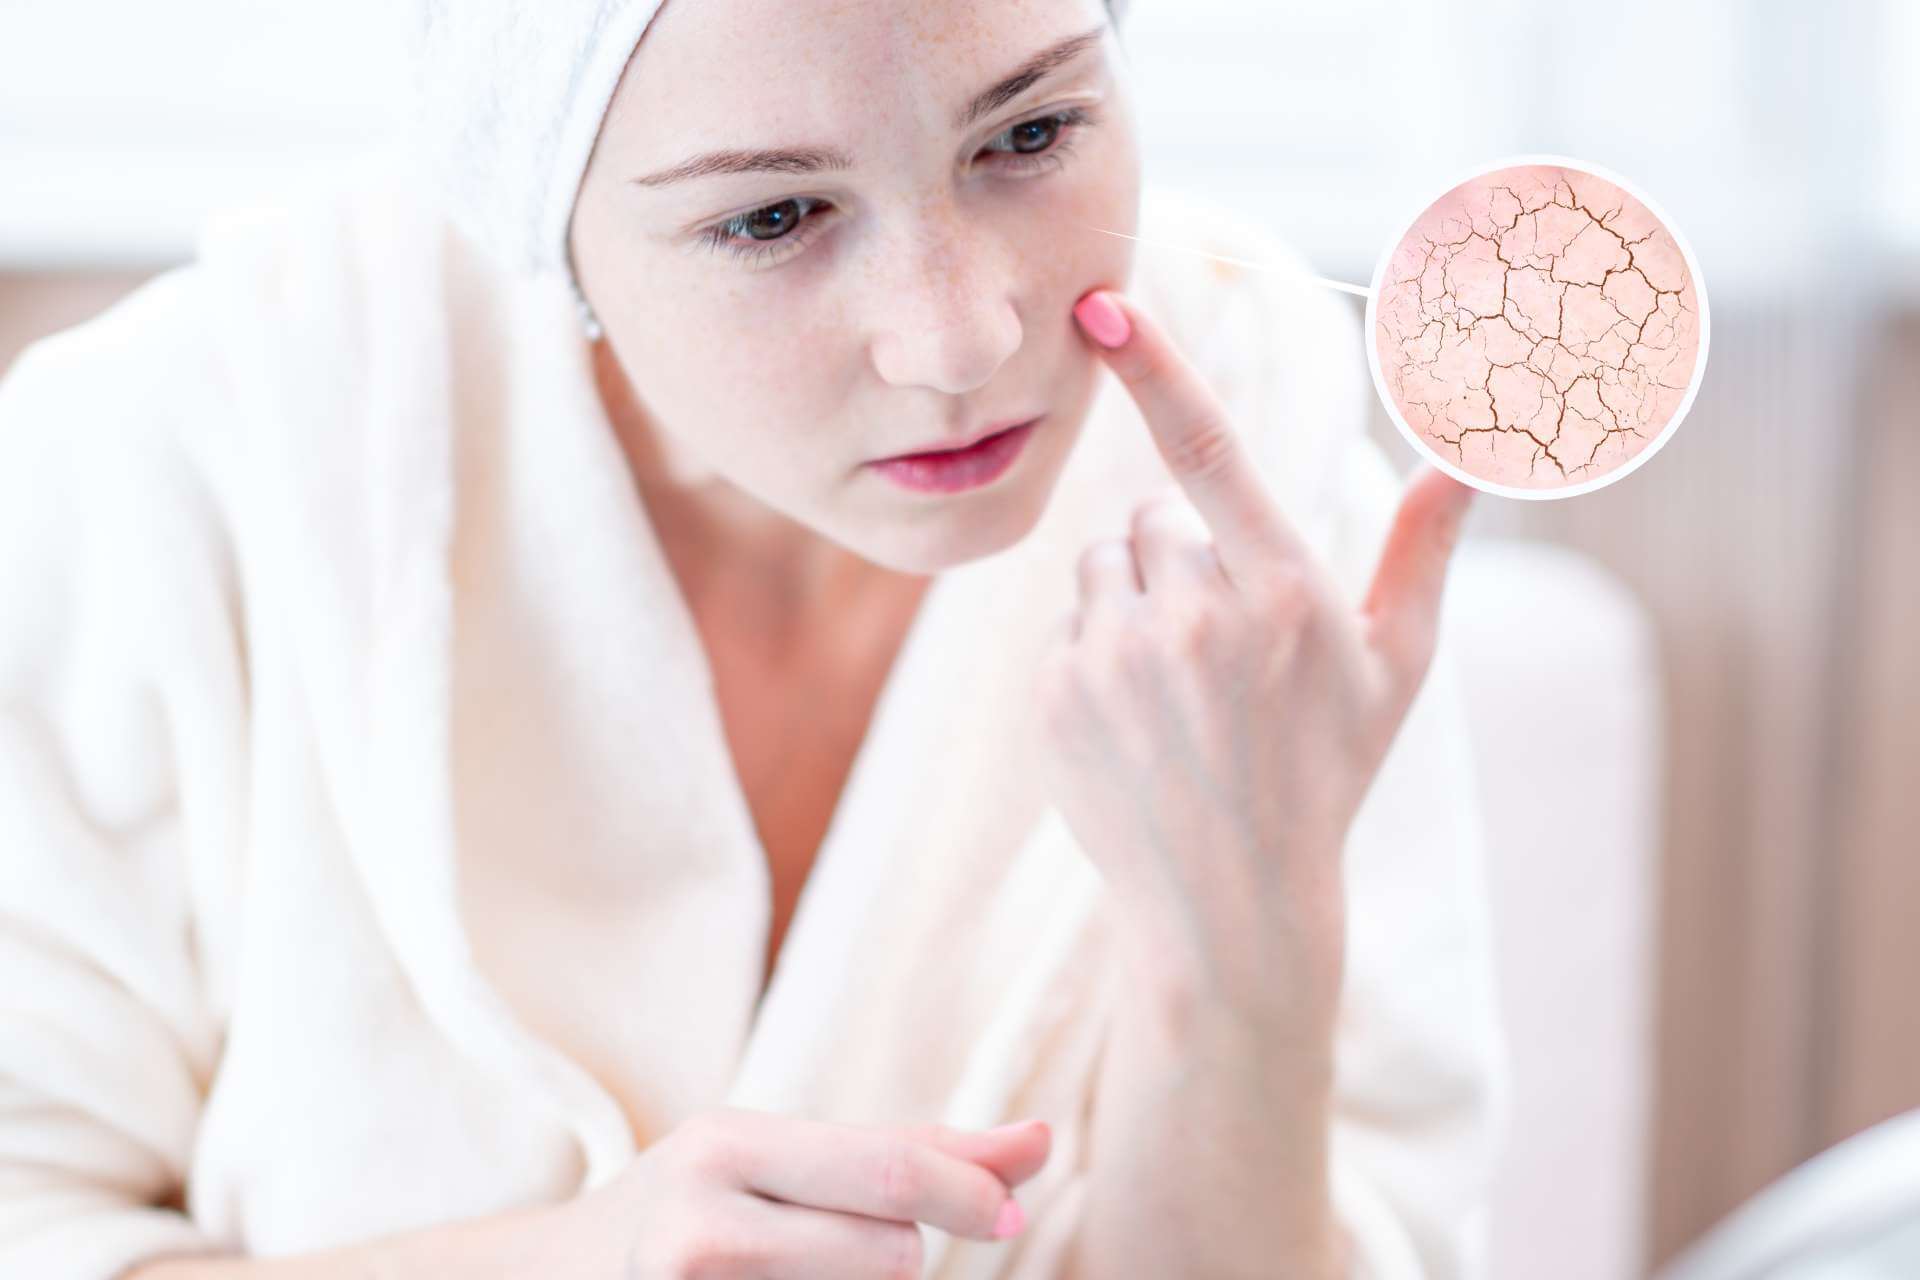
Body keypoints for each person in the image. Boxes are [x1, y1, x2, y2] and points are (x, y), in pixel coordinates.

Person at [0, 0, 1507, 1276]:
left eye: (1031, 136)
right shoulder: (177, 464)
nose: (963, 338)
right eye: (773, 216)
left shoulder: (1252, 437)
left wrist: (1241, 925)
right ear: (544, 220)